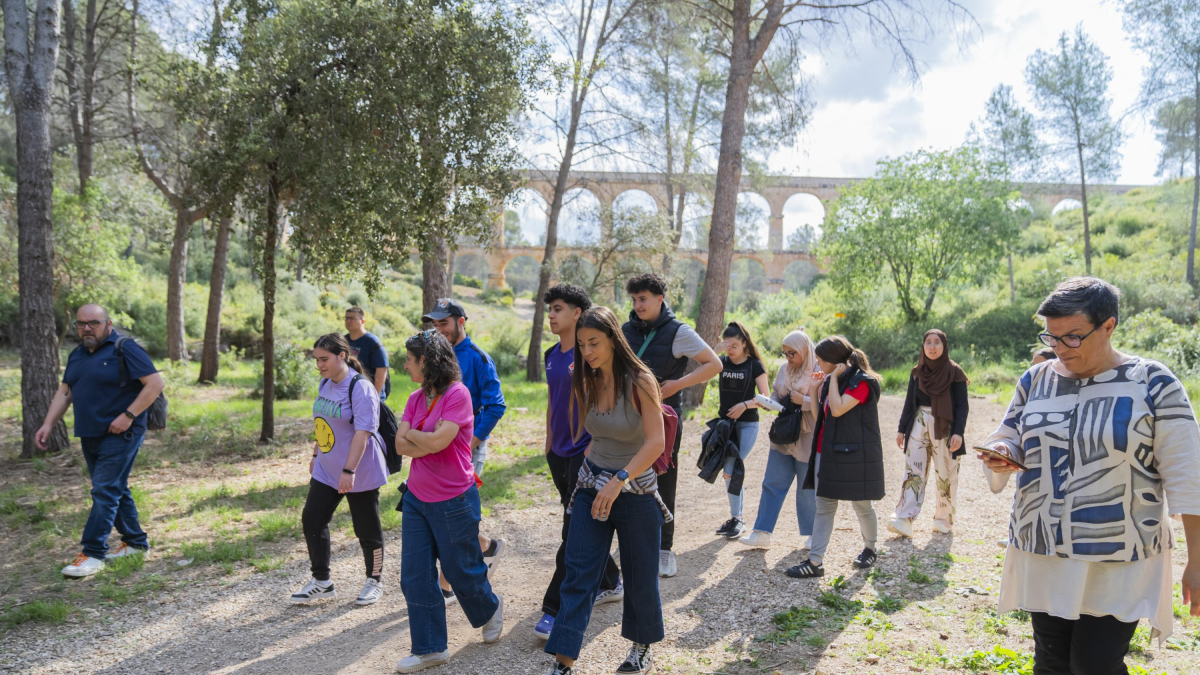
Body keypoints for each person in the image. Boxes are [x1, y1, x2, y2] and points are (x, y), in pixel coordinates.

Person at [978, 277, 1200, 673]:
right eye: (1052, 338)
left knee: (1094, 665)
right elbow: (1010, 433)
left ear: (1109, 326)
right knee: (1050, 661)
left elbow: (1189, 476)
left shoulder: (1153, 383)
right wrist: (1003, 452)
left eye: (1073, 337)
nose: (1060, 349)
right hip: (1043, 547)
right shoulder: (1036, 379)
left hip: (1119, 556)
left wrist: (1197, 561)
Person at [544, 307, 669, 675]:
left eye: (594, 343)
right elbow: (594, 434)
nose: (587, 351)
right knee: (578, 571)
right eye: (582, 345)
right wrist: (588, 473)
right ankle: (563, 662)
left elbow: (656, 442)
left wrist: (619, 480)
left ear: (614, 339)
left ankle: (641, 648)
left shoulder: (641, 380)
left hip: (635, 486)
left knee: (639, 573)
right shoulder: (584, 379)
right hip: (592, 483)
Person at [395, 330, 504, 673]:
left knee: (461, 571)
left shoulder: (458, 394)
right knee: (414, 575)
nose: (405, 364)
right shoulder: (416, 398)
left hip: (454, 498)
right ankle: (430, 648)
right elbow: (401, 445)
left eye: (410, 359)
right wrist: (420, 438)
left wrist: (416, 436)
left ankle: (489, 608)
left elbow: (440, 442)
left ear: (425, 361)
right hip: (416, 497)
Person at [37, 304, 165, 578]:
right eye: (81, 324)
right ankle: (135, 543)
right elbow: (65, 392)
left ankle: (93, 553)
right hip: (89, 433)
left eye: (93, 323)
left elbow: (154, 384)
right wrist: (48, 423)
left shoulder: (125, 348)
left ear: (107, 324)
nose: (86, 328)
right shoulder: (77, 354)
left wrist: (128, 415)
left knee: (105, 490)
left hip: (123, 432)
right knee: (114, 487)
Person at [535, 284, 623, 641]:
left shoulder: (591, 359)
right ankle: (611, 579)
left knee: (571, 533)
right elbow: (553, 402)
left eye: (558, 309)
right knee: (578, 523)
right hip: (558, 451)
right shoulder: (551, 354)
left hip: (585, 452)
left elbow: (604, 405)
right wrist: (547, 440)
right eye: (549, 309)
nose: (551, 315)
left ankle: (553, 609)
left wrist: (593, 448)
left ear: (576, 313)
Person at [622, 273, 722, 578]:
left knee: (663, 480)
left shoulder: (678, 332)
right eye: (634, 300)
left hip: (663, 419)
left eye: (643, 299)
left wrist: (679, 384)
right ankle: (633, 544)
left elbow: (714, 364)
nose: (638, 305)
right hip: (626, 417)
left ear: (659, 299)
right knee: (624, 477)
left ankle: (665, 549)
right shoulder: (625, 330)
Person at [290, 334, 389, 606]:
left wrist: (349, 470)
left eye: (324, 359)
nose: (319, 365)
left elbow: (363, 432)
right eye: (317, 360)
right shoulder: (326, 383)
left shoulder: (360, 388)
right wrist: (315, 454)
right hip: (327, 468)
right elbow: (323, 422)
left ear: (342, 356)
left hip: (358, 470)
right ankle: (322, 581)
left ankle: (374, 580)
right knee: (312, 519)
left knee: (366, 530)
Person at [423, 298, 506, 602]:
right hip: (435, 449)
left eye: (444, 323)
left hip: (466, 450)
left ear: (461, 322)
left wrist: (471, 442)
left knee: (452, 515)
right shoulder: (431, 359)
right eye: (435, 324)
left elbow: (496, 405)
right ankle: (486, 545)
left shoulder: (478, 358)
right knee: (445, 515)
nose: (439, 329)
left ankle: (445, 588)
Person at [786, 336, 884, 579]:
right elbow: (824, 417)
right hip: (826, 452)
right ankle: (815, 562)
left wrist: (834, 380)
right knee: (824, 507)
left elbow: (839, 409)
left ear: (833, 360)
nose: (817, 364)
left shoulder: (862, 382)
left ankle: (870, 548)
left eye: (820, 359)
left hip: (854, 457)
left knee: (861, 505)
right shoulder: (833, 380)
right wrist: (814, 388)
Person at [739, 330, 818, 550]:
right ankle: (762, 532)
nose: (788, 358)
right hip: (783, 433)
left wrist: (803, 400)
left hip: (807, 434)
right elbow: (776, 394)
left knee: (806, 487)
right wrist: (768, 402)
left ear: (804, 350)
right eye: (785, 353)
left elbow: (824, 404)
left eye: (792, 353)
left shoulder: (818, 370)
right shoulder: (785, 369)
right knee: (772, 482)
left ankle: (813, 535)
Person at [888, 329, 969, 538]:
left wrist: (958, 432)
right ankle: (905, 518)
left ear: (944, 346)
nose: (932, 347)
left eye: (937, 342)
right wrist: (901, 429)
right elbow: (909, 402)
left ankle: (943, 520)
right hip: (918, 423)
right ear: (923, 346)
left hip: (945, 426)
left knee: (945, 473)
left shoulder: (955, 372)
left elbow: (962, 406)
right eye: (928, 342)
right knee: (913, 470)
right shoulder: (917, 372)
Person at [711, 321, 770, 539]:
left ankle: (739, 519)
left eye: (735, 345)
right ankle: (736, 517)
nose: (730, 349)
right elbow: (700, 371)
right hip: (725, 426)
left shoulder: (755, 365)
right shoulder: (721, 362)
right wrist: (714, 352)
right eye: (727, 345)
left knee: (731, 469)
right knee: (727, 471)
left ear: (745, 343)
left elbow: (766, 398)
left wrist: (745, 405)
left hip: (747, 425)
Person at [344, 306, 391, 402]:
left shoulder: (373, 342)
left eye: (352, 318)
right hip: (350, 394)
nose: (348, 321)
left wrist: (375, 396)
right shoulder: (343, 341)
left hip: (370, 395)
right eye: (346, 318)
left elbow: (382, 370)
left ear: (362, 321)